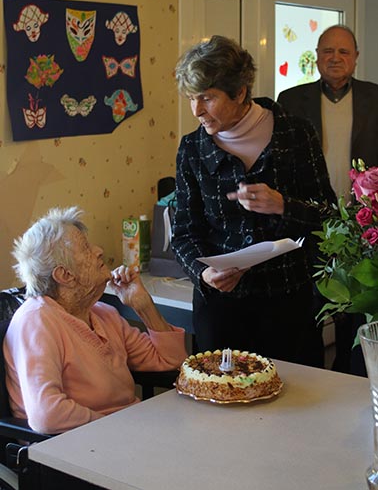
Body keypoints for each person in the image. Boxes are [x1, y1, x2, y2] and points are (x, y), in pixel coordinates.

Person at [171, 35, 336, 368]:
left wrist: (282, 205)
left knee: (297, 407)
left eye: (207, 97)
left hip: (288, 307)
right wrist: (204, 275)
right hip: (221, 310)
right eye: (191, 98)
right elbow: (184, 233)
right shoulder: (192, 148)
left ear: (240, 92)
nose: (197, 110)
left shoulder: (296, 133)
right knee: (222, 412)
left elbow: (330, 217)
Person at [4, 206, 187, 435]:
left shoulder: (102, 313)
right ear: (64, 275)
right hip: (75, 448)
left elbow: (173, 362)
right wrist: (116, 427)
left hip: (123, 434)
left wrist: (143, 305)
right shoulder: (37, 321)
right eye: (86, 248)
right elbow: (48, 415)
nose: (99, 251)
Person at [278, 24, 378, 376]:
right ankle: (307, 379)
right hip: (310, 219)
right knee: (308, 309)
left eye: (343, 52)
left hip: (362, 224)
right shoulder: (290, 100)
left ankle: (352, 379)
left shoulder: (374, 97)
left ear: (355, 58)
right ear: (317, 56)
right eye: (327, 51)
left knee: (356, 310)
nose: (335, 58)